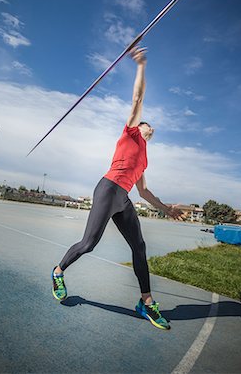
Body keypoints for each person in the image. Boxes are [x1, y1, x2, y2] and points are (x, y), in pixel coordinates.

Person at [52, 45, 183, 330]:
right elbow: (137, 98)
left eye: (152, 129)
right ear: (141, 126)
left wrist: (166, 208)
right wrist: (141, 65)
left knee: (139, 247)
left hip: (123, 198)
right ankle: (59, 271)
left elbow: (144, 192)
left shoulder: (145, 157)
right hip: (107, 189)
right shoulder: (131, 132)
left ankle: (146, 302)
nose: (152, 128)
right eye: (149, 125)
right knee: (88, 244)